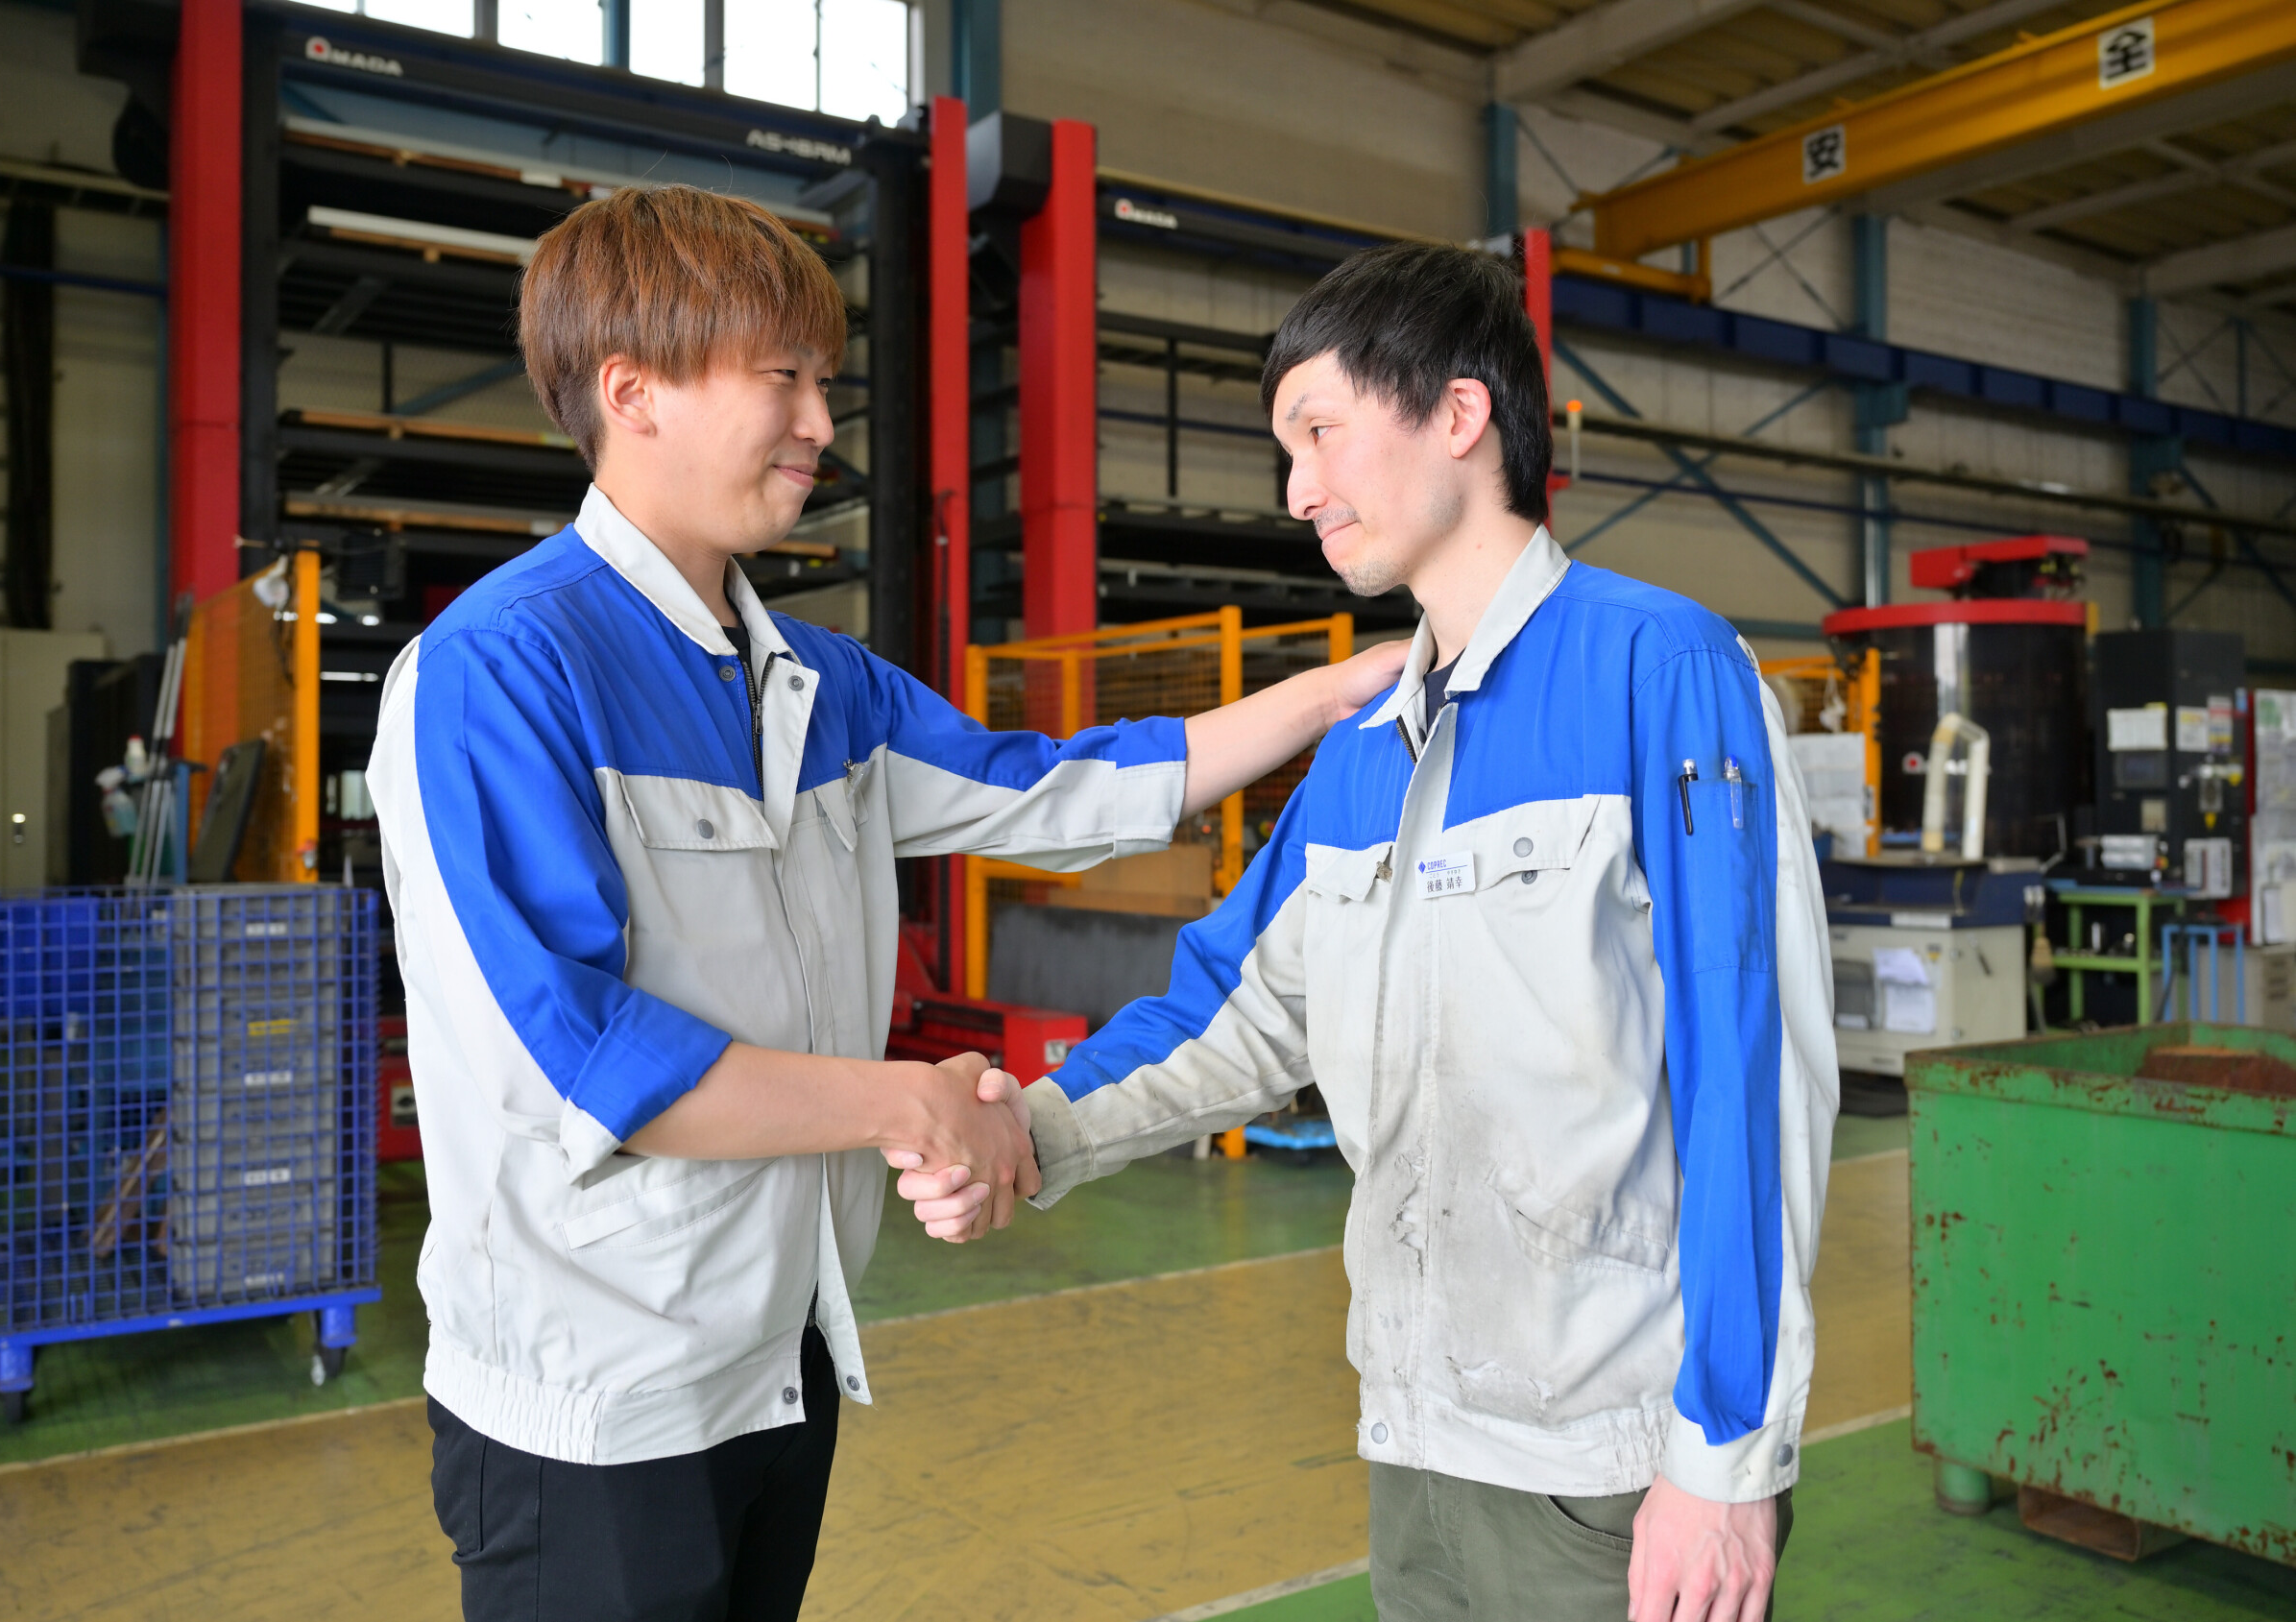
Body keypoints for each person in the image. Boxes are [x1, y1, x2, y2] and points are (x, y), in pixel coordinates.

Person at [364, 184, 1407, 1622]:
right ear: (633, 391)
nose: (820, 424)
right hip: (595, 1399)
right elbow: (586, 1060)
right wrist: (905, 1103)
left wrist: (1329, 694)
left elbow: (1050, 790)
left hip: (781, 1358)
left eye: (825, 381)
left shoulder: (818, 684)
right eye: (781, 377)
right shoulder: (500, 674)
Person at [900, 242, 1839, 1622]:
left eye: (1321, 432)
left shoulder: (1663, 670)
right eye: (1287, 451)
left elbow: (1751, 1076)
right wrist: (1027, 1131)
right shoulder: (1360, 759)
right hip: (1416, 1438)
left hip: (1614, 1468)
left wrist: (1727, 1460)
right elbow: (1230, 1013)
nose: (1297, 490)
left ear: (1459, 415)